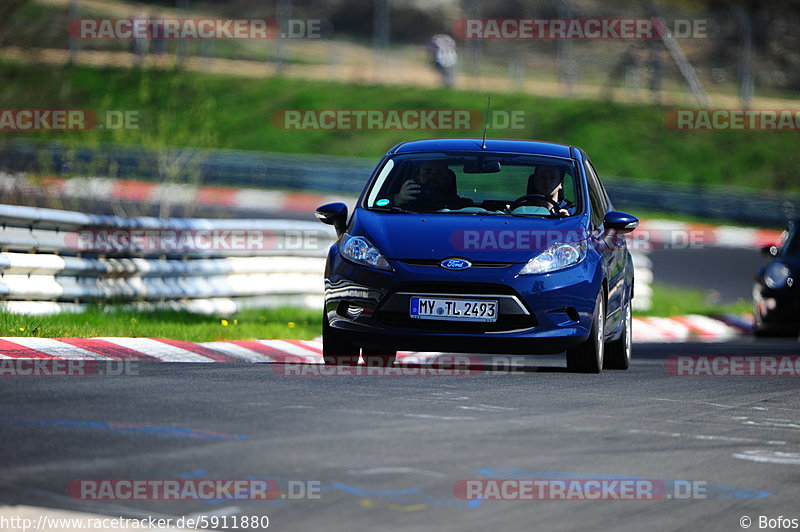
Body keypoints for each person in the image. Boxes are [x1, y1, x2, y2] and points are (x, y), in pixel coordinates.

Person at [393, 161, 471, 211]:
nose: (432, 177)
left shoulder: (463, 206)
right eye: (427, 173)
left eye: (439, 173)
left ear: (448, 178)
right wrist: (398, 199)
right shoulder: (405, 203)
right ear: (418, 177)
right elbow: (382, 205)